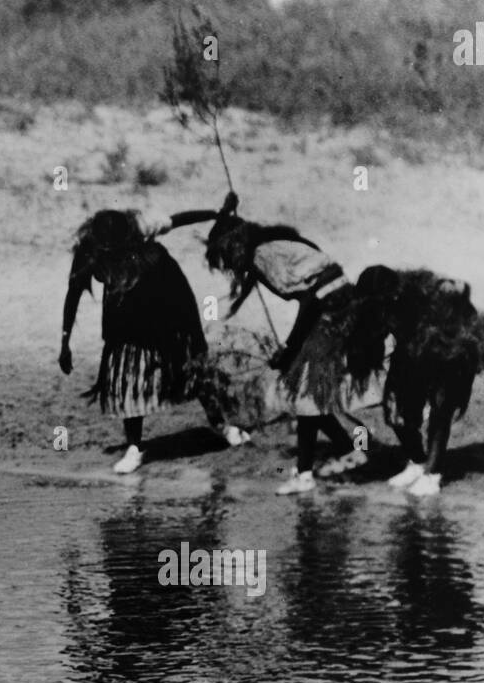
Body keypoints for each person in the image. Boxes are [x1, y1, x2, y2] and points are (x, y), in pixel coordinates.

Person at [205, 203, 390, 494]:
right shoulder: (272, 247)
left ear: (234, 247)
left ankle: (304, 475)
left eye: (225, 256)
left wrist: (291, 348)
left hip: (330, 313)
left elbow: (309, 300)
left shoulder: (264, 254)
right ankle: (349, 451)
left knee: (305, 395)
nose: (227, 264)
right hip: (338, 306)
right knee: (310, 394)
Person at [59, 200, 249, 474]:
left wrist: (218, 213)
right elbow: (73, 293)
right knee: (127, 382)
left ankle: (222, 426)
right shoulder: (91, 251)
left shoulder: (145, 240)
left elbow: (179, 218)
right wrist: (65, 341)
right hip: (122, 320)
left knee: (191, 370)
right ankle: (134, 448)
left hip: (163, 304)